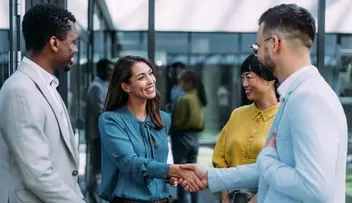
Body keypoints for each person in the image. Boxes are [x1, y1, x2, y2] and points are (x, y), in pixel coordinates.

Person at [179, 4, 348, 203]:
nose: (257, 54)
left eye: (258, 47)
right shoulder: (297, 94)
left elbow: (313, 188)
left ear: (275, 43)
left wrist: (266, 159)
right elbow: (280, 169)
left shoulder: (309, 98)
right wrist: (210, 177)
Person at [0, 3, 85, 203]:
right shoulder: (20, 91)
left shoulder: (46, 84)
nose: (76, 49)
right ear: (54, 43)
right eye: (73, 42)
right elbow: (38, 175)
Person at [98, 56, 205, 203]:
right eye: (142, 77)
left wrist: (168, 177)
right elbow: (130, 164)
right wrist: (174, 170)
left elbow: (155, 165)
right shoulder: (110, 120)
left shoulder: (163, 119)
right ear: (126, 86)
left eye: (150, 73)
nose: (151, 80)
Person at [212, 54, 279, 203]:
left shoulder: (283, 117)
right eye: (242, 78)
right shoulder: (237, 115)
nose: (244, 84)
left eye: (249, 77)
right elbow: (220, 159)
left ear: (269, 79)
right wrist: (225, 197)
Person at [171, 70, 207, 203]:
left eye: (182, 83)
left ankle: (182, 200)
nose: (181, 86)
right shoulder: (199, 98)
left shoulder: (184, 99)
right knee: (193, 172)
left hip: (182, 137)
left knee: (180, 172)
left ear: (189, 83)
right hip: (195, 138)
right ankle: (194, 199)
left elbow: (177, 122)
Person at [86, 58, 114, 203]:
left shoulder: (103, 85)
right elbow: (102, 111)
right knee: (97, 171)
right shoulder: (96, 87)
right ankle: (93, 199)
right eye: (108, 70)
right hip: (98, 135)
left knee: (99, 170)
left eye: (111, 70)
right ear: (100, 70)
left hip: (102, 134)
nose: (110, 73)